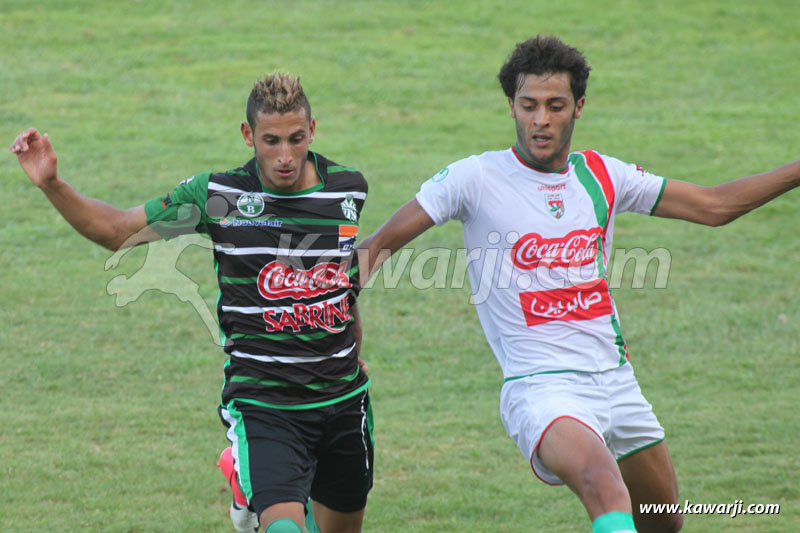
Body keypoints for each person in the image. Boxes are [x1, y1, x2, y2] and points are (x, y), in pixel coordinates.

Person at [355, 35, 800, 533]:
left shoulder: (603, 175)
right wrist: (320, 321)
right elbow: (375, 248)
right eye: (528, 106)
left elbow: (714, 206)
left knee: (662, 520)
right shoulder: (474, 178)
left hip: (616, 380)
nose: (540, 120)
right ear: (511, 106)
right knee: (602, 484)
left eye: (555, 106)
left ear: (579, 107)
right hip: (541, 389)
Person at [11, 72, 373, 533]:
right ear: (248, 136)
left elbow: (340, 281)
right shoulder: (216, 197)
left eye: (296, 139)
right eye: (271, 140)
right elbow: (119, 231)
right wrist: (52, 184)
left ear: (313, 130)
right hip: (266, 402)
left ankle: (244, 482)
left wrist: (353, 346)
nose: (285, 156)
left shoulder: (346, 189)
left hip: (343, 400)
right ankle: (254, 477)